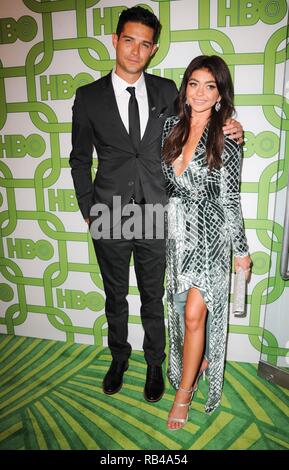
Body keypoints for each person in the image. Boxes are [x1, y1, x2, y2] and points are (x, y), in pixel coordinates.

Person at [69, 7, 244, 404]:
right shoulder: (89, 97)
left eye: (145, 44)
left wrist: (233, 125)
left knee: (154, 296)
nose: (136, 50)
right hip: (108, 211)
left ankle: (154, 363)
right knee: (115, 295)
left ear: (153, 49)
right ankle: (119, 358)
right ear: (115, 41)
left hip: (157, 214)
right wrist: (87, 207)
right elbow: (79, 159)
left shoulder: (168, 91)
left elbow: (202, 121)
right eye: (128, 40)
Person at [161, 55, 251, 429]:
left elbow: (231, 199)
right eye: (194, 83)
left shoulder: (226, 137)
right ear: (185, 89)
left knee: (196, 313)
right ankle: (196, 363)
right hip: (177, 233)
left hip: (211, 236)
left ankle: (184, 393)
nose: (199, 92)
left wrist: (242, 251)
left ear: (219, 95)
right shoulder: (170, 126)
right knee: (182, 313)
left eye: (209, 86)